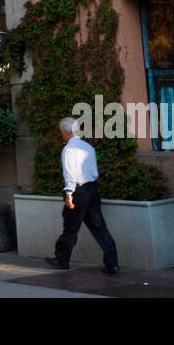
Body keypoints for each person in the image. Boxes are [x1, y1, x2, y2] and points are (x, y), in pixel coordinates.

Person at [43, 117, 119, 274]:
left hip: (79, 191)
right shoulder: (88, 147)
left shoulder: (69, 150)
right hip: (92, 189)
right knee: (100, 228)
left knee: (70, 227)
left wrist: (69, 194)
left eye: (61, 133)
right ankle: (112, 263)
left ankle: (61, 260)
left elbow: (70, 174)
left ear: (65, 132)